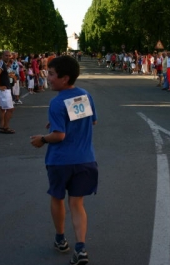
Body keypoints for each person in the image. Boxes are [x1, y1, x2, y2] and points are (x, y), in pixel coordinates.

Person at [30, 55, 98, 265]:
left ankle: (61, 239)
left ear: (64, 77)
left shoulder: (57, 102)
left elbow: (59, 136)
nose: (48, 78)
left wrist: (42, 139)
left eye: (51, 74)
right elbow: (91, 121)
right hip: (85, 160)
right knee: (77, 204)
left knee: (57, 198)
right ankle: (81, 248)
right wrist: (62, 125)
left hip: (60, 161)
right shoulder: (84, 95)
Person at [0, 50, 15, 134]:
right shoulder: (1, 63)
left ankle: (2, 126)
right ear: (2, 56)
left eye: (9, 56)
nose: (8, 57)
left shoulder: (3, 64)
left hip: (3, 89)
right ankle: (6, 127)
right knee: (10, 109)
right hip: (4, 90)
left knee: (2, 109)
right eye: (6, 55)